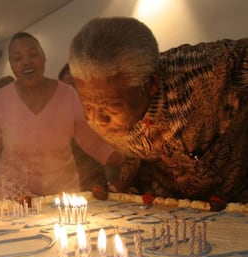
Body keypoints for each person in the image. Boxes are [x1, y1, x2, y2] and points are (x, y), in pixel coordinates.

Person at [68, 17, 248, 209]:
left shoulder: (210, 71)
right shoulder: (101, 102)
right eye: (88, 106)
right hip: (168, 209)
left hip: (236, 204)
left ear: (151, 84)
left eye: (111, 107)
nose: (97, 119)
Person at [0, 32, 122, 200]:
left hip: (60, 194)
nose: (27, 62)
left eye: (33, 54)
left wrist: (129, 165)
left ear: (44, 57)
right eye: (18, 58)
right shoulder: (0, 100)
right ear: (12, 65)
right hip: (11, 194)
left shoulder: (67, 94)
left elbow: (94, 143)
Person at [58, 63, 110, 192]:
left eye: (75, 84)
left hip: (94, 176)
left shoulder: (97, 112)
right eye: (67, 85)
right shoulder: (56, 113)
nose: (71, 91)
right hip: (63, 179)